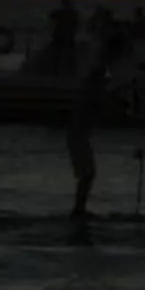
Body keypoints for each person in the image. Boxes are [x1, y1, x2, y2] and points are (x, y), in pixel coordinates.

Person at [66, 60, 106, 220]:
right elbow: (105, 110)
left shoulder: (90, 93)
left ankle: (79, 208)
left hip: (79, 138)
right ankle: (78, 210)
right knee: (87, 174)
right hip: (78, 138)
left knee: (88, 174)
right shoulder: (91, 94)